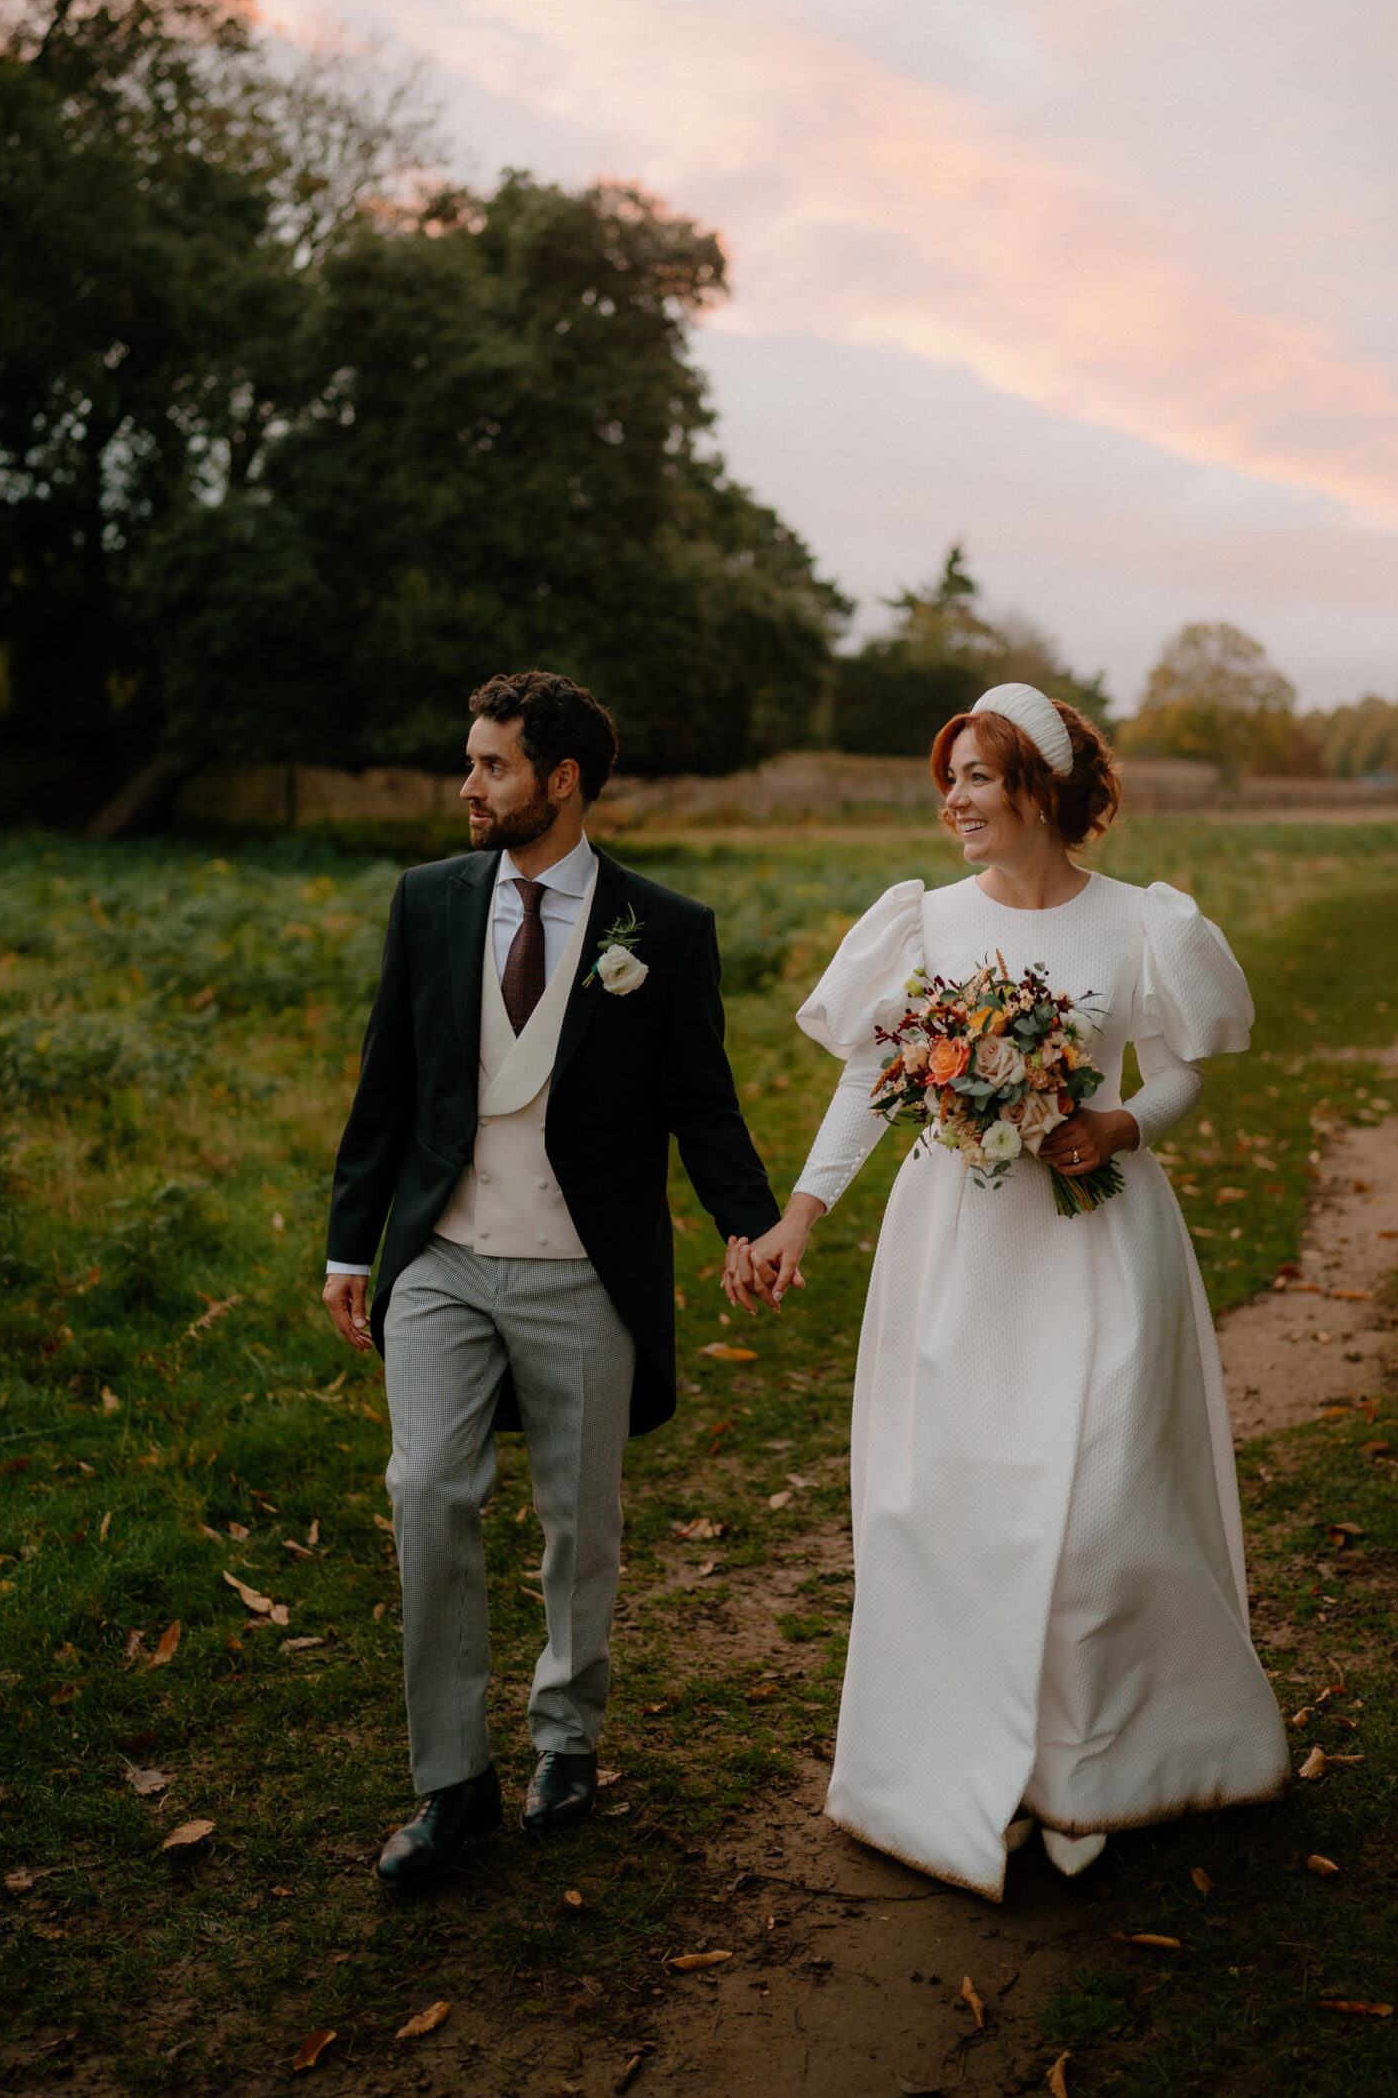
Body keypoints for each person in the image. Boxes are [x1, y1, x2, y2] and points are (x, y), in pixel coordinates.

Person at [725, 681, 1290, 1900]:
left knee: (1100, 1508)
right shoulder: (921, 923)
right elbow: (870, 1085)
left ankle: (1097, 1768)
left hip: (1099, 1242)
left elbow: (1184, 1069)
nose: (955, 800)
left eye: (979, 777)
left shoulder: (1142, 922)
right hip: (961, 1252)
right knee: (952, 1505)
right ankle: (951, 1769)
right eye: (952, 778)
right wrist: (801, 1217)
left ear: (1042, 785)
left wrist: (1121, 1121)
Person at [325, 670, 778, 1887]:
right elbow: (386, 1083)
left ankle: (566, 1738)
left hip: (584, 1272)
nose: (467, 785)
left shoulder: (663, 930)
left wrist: (750, 1222)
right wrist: (350, 1243)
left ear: (560, 779)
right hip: (444, 1259)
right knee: (427, 1490)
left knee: (582, 1526)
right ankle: (450, 1780)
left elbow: (702, 1100)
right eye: (469, 763)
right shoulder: (426, 903)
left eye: (492, 765)